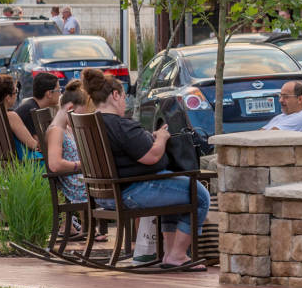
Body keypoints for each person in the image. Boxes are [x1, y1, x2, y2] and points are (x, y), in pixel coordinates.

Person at [82, 68, 210, 271]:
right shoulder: (120, 125)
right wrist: (161, 137)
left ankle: (170, 254)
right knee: (200, 195)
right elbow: (151, 156)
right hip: (130, 192)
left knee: (172, 186)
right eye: (124, 97)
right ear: (115, 95)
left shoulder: (89, 124)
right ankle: (177, 255)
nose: (125, 102)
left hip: (104, 195)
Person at [46, 81, 92, 217]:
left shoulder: (66, 129)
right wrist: (82, 165)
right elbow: (55, 165)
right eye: (79, 115)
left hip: (80, 180)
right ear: (70, 108)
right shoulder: (56, 131)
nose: (80, 119)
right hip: (77, 186)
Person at [0, 72, 42, 158]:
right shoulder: (10, 117)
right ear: (8, 97)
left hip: (0, 164)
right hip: (27, 163)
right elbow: (33, 145)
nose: (16, 95)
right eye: (16, 91)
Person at [15, 71, 61, 138]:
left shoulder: (32, 105)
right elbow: (39, 143)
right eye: (58, 90)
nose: (60, 94)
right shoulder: (31, 111)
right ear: (49, 94)